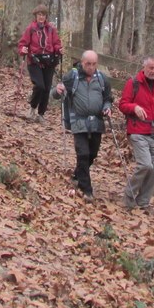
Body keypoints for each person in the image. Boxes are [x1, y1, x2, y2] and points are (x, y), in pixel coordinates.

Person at [55, 50, 113, 201]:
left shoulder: (102, 79)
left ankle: (76, 175)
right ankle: (86, 189)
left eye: (94, 64)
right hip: (78, 121)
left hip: (97, 122)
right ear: (82, 63)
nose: (91, 67)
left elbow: (108, 98)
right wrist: (57, 90)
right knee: (83, 153)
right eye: (88, 64)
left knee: (92, 154)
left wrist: (107, 107)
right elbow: (55, 93)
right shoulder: (71, 77)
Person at [119, 56, 154, 211]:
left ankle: (143, 201)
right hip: (138, 131)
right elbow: (123, 104)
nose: (153, 71)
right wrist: (134, 107)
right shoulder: (133, 83)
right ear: (144, 67)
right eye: (151, 68)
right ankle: (129, 196)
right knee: (145, 165)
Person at [17, 4, 62, 122]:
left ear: (46, 16)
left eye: (43, 15)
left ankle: (41, 114)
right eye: (39, 15)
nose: (41, 17)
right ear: (35, 16)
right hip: (34, 60)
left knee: (47, 88)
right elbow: (22, 43)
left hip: (49, 61)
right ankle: (32, 108)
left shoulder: (51, 29)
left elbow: (56, 43)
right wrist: (23, 49)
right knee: (40, 86)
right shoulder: (31, 28)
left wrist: (59, 49)